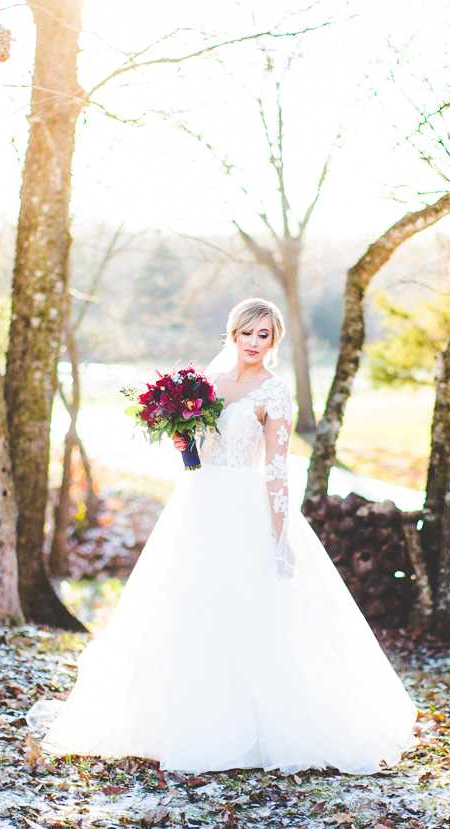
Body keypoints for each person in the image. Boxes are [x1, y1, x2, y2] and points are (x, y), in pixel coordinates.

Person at [27, 298, 417, 774]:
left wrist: (282, 534)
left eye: (264, 336)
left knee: (249, 610)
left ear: (273, 342)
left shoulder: (274, 393)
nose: (254, 343)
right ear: (232, 333)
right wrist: (182, 443)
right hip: (198, 501)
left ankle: (258, 730)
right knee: (190, 605)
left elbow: (276, 468)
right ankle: (188, 721)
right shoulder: (206, 385)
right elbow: (197, 456)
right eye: (247, 333)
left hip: (245, 505)